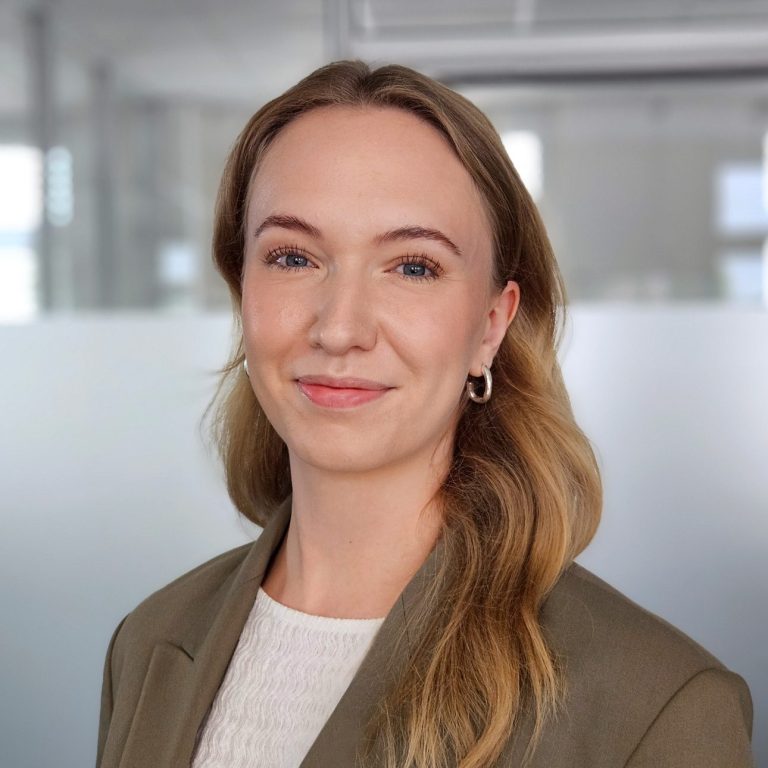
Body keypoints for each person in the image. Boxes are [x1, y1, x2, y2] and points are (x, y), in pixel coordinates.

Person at [95, 60, 755, 768]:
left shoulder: (654, 709)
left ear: (491, 326)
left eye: (413, 266)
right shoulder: (149, 642)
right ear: (242, 290)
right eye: (291, 257)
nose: (339, 327)